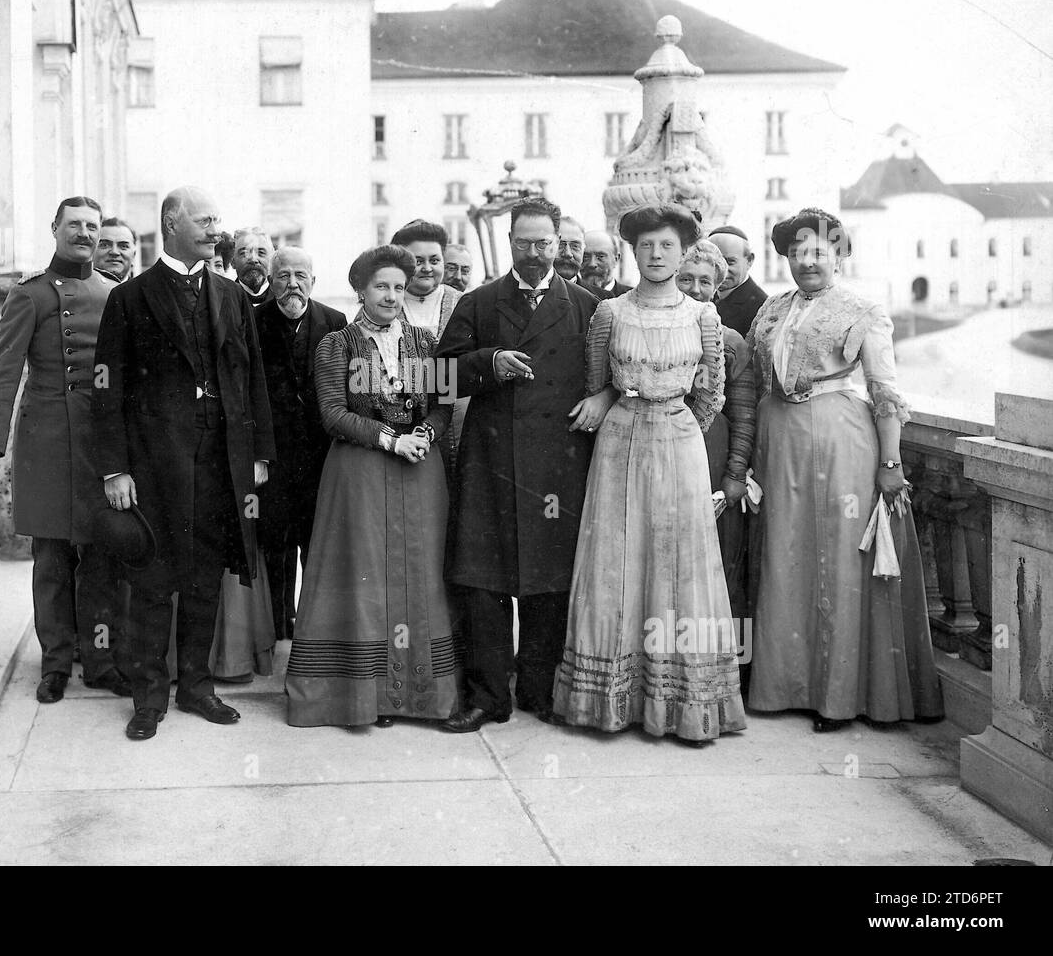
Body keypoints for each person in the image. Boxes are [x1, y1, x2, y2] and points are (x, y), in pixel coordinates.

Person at [551, 204, 744, 745]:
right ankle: (610, 700)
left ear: (683, 252)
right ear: (632, 251)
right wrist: (632, 410)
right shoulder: (610, 312)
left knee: (679, 560)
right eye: (646, 246)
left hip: (680, 442)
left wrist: (674, 425)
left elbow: (711, 394)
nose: (656, 255)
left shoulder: (703, 317)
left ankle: (681, 702)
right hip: (619, 440)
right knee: (617, 558)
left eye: (666, 246)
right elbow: (595, 382)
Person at [746, 208, 943, 731]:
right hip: (776, 440)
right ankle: (782, 685)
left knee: (835, 558)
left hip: (839, 442)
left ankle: (838, 696)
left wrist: (890, 462)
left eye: (818, 251)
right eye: (796, 252)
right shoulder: (771, 308)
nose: (807, 261)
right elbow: (751, 374)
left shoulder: (862, 310)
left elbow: (885, 390)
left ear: (839, 254)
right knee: (784, 555)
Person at [92, 185, 276, 741]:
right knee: (152, 580)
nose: (217, 230)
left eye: (218, 219)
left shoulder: (230, 294)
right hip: (153, 466)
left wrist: (259, 455)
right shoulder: (130, 298)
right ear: (172, 223)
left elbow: (252, 378)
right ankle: (149, 696)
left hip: (221, 462)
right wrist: (114, 469)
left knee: (205, 578)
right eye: (205, 220)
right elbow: (107, 390)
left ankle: (197, 687)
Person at [436, 198, 600, 732]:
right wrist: (487, 363)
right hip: (490, 460)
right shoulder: (479, 303)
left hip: (558, 463)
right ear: (509, 242)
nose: (534, 253)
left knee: (548, 580)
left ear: (558, 243)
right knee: (483, 581)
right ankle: (487, 697)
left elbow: (608, 377)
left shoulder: (587, 305)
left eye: (544, 244)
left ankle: (538, 689)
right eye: (524, 243)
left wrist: (599, 402)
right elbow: (438, 377)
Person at [0, 197, 130, 704]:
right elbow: (4, 371)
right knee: (52, 557)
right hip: (46, 441)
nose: (84, 233)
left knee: (100, 555)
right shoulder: (30, 295)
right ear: (55, 228)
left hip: (99, 443)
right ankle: (55, 665)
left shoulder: (114, 294)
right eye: (74, 224)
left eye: (92, 227)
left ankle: (100, 663)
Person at [286, 245, 456, 728]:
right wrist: (390, 440)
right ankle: (365, 695)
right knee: (367, 574)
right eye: (381, 286)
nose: (391, 295)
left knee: (420, 572)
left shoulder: (425, 342)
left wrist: (424, 434)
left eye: (399, 287)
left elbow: (441, 404)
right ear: (360, 289)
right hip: (359, 472)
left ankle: (420, 696)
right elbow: (333, 413)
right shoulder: (337, 344)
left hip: (420, 472)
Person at [254, 247, 348, 641]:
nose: (292, 284)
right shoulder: (253, 320)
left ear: (313, 279)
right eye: (283, 276)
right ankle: (278, 621)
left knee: (317, 541)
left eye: (300, 275)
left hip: (320, 454)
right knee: (275, 541)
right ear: (271, 280)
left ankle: (313, 624)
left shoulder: (335, 321)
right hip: (272, 456)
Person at [676, 240, 756, 676]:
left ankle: (729, 671)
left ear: (718, 288)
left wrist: (735, 475)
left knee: (722, 562)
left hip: (714, 451)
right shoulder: (650, 330)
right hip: (665, 451)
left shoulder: (732, 343)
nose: (694, 288)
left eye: (705, 281)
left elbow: (744, 414)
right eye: (685, 278)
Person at [392, 220, 463, 339]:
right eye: (418, 262)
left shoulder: (464, 303)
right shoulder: (382, 303)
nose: (427, 268)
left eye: (434, 261)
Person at [708, 226, 767, 338]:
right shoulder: (705, 296)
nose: (721, 269)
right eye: (712, 262)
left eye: (730, 262)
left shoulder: (761, 307)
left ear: (749, 260)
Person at [579, 229, 632, 298]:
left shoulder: (634, 298)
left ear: (616, 259)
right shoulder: (569, 295)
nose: (592, 264)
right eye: (586, 257)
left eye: (600, 256)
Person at [233, 228, 274, 306]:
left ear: (272, 259)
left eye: (261, 252)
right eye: (244, 253)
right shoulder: (222, 300)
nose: (253, 259)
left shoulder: (283, 299)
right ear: (232, 261)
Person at [95, 217, 137, 282]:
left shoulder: (146, 292)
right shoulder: (77, 290)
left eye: (123, 246)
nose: (114, 252)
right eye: (105, 245)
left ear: (134, 255)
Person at [552, 215, 585, 282]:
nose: (567, 253)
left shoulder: (595, 293)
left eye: (575, 246)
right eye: (560, 245)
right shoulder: (531, 291)